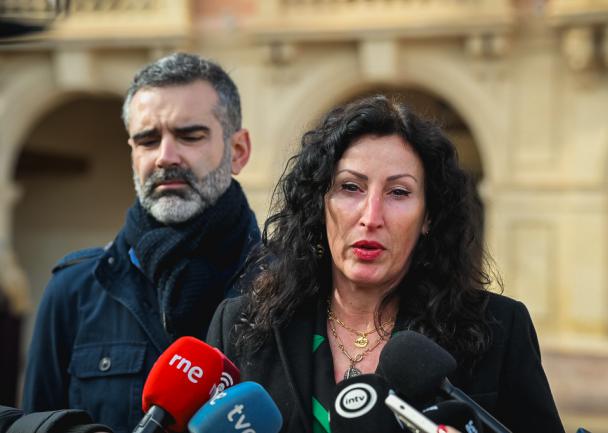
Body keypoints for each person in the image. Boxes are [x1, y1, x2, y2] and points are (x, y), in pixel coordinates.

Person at [207, 95, 565, 433]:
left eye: (398, 192)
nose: (371, 217)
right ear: (320, 203)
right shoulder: (242, 325)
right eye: (351, 187)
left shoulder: (499, 329)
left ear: (428, 216)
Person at [22, 53, 260, 433]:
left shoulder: (292, 285)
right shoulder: (73, 291)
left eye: (189, 136)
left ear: (238, 151)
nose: (166, 157)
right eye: (148, 140)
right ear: (133, 154)